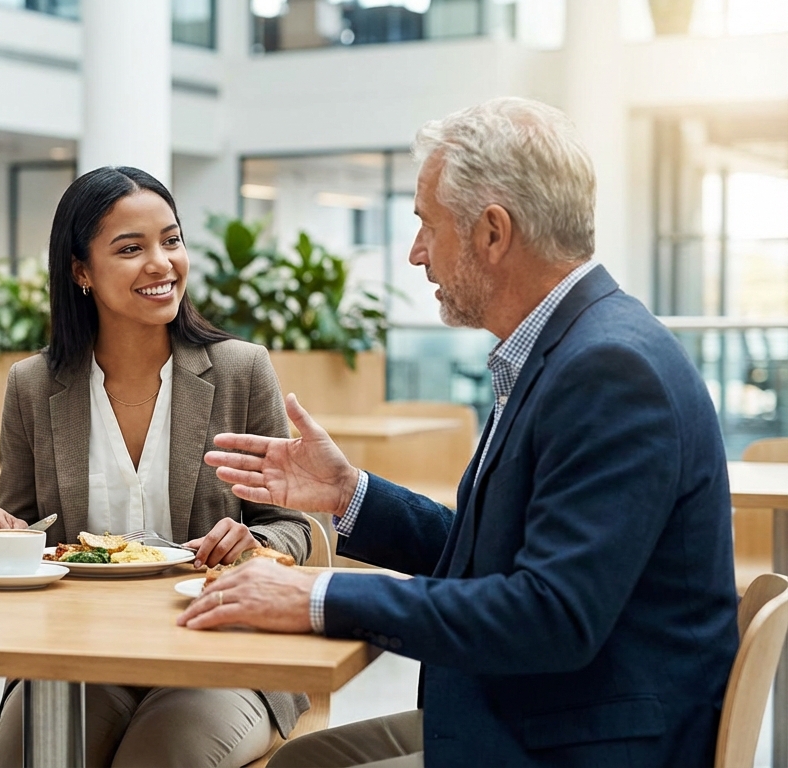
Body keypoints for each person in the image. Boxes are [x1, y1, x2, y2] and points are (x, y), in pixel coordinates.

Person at [181, 98, 739, 768]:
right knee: (306, 760)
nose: (417, 254)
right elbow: (498, 561)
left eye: (427, 225)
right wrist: (348, 493)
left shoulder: (608, 372)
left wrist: (316, 595)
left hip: (583, 741)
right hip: (554, 712)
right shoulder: (575, 349)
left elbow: (551, 616)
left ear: (493, 233)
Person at [0, 166, 312, 768]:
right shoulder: (33, 386)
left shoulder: (241, 370)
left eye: (171, 240)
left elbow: (294, 529)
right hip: (76, 653)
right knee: (37, 758)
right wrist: (6, 542)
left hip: (219, 651)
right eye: (130, 249)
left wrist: (252, 540)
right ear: (81, 271)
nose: (161, 263)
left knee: (155, 759)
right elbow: (28, 531)